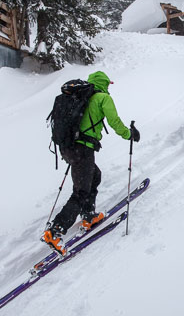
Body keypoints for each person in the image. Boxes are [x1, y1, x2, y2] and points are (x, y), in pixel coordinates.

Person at [42, 71, 140, 255]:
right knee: (81, 191)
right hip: (83, 149)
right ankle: (55, 231)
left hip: (68, 147)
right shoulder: (102, 97)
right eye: (108, 84)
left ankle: (88, 214)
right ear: (103, 84)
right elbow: (114, 121)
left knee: (95, 175)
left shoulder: (80, 97)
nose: (108, 88)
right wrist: (129, 134)